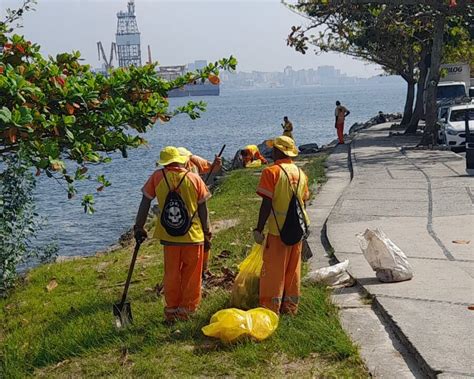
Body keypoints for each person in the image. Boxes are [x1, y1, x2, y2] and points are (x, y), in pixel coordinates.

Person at [134, 146, 212, 323]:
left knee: (171, 274)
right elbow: (203, 209)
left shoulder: (157, 177)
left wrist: (139, 226)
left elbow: (145, 201)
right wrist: (207, 232)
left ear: (164, 163)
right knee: (192, 274)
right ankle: (187, 311)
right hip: (193, 236)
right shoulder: (194, 178)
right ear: (180, 160)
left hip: (169, 237)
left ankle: (171, 310)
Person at [253, 136, 310, 315]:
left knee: (274, 271)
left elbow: (266, 203)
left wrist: (259, 228)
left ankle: (270, 308)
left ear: (279, 151)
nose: (271, 152)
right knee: (293, 270)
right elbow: (303, 201)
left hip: (278, 231)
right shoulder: (301, 173)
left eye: (273, 149)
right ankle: (290, 307)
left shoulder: (271, 172)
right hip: (298, 229)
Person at [177, 147, 221, 278]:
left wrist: (216, 163)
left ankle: (204, 268)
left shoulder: (194, 160)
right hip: (182, 207)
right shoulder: (172, 171)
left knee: (206, 236)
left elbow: (211, 168)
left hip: (198, 204)